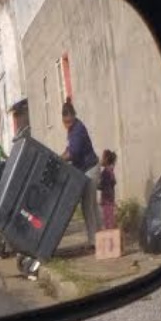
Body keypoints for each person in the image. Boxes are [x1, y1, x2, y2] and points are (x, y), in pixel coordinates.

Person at [61, 99, 102, 246]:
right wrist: (63, 153)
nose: (67, 125)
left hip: (90, 169)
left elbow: (74, 152)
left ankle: (94, 240)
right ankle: (99, 237)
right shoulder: (73, 129)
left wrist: (61, 158)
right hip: (88, 168)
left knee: (87, 205)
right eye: (65, 122)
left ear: (74, 116)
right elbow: (70, 148)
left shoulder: (78, 129)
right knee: (91, 205)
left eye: (69, 122)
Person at [99, 150, 118, 230]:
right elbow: (112, 183)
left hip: (107, 199)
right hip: (109, 198)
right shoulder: (109, 172)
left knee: (108, 219)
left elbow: (102, 185)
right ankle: (111, 236)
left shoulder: (106, 172)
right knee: (109, 219)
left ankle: (110, 237)